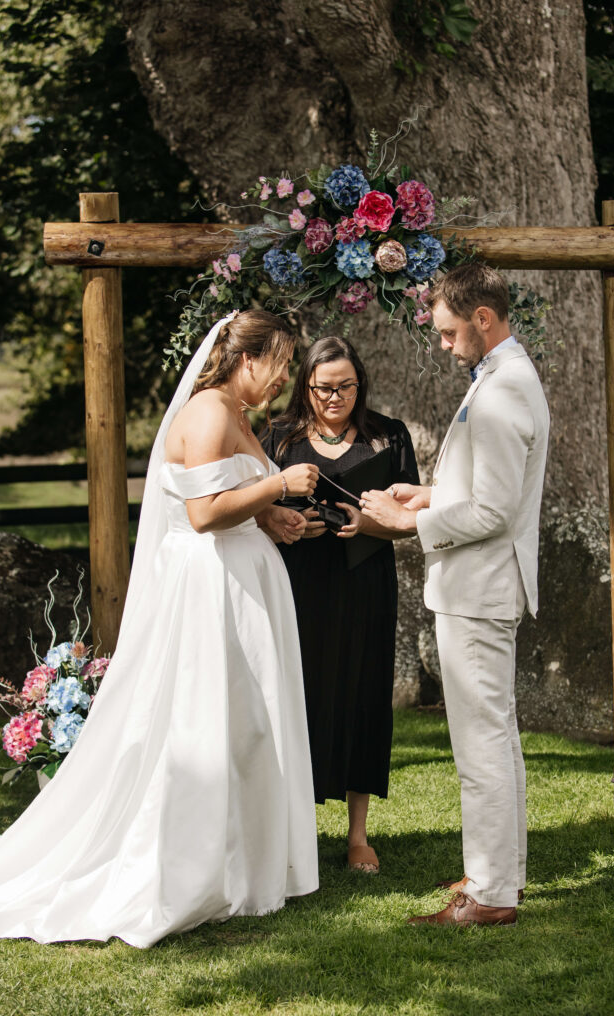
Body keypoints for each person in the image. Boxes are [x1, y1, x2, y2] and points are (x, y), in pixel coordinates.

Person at [0, 309, 321, 948]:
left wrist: (271, 518)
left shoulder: (238, 416)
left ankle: (247, 861)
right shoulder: (207, 412)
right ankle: (195, 863)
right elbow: (201, 514)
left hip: (243, 582)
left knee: (249, 727)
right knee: (208, 725)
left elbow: (232, 501)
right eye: (280, 363)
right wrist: (280, 482)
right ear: (246, 358)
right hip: (210, 592)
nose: (283, 378)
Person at [360, 264, 550, 927]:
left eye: (446, 332)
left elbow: (494, 512)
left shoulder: (500, 393)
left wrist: (405, 523)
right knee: (493, 740)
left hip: (478, 588)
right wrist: (431, 495)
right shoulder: (504, 377)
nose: (442, 345)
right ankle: (497, 871)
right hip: (480, 585)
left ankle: (491, 894)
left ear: (483, 319)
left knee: (480, 747)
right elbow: (484, 491)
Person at [261, 336, 419, 875]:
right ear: (306, 386)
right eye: (324, 388)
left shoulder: (388, 436)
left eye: (345, 387)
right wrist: (285, 524)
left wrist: (366, 522)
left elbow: (410, 516)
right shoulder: (278, 438)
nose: (335, 397)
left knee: (362, 694)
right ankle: (292, 831)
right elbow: (253, 509)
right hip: (297, 582)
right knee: (296, 696)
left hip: (364, 581)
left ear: (361, 384)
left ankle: (358, 836)